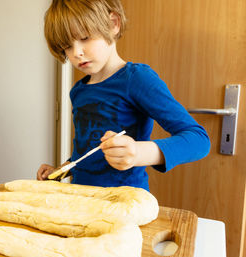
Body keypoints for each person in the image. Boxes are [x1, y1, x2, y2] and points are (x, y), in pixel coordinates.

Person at [36, 0, 210, 191]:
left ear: (113, 24)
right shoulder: (78, 91)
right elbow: (88, 151)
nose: (77, 53)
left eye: (85, 38)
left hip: (125, 201)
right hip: (82, 199)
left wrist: (138, 152)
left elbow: (199, 140)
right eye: (67, 46)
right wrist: (62, 170)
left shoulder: (138, 79)